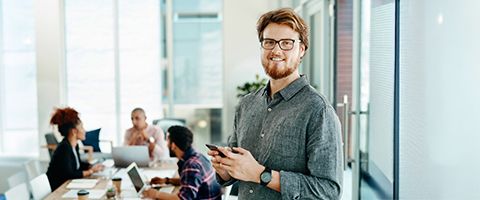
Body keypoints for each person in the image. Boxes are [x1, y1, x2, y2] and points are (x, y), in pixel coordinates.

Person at [208, 8, 343, 199]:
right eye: (269, 42)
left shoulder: (318, 110)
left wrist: (261, 175)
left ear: (301, 50)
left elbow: (329, 191)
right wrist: (224, 169)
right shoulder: (247, 104)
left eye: (287, 43)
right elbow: (236, 172)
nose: (276, 50)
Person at [142, 126, 222, 200]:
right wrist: (167, 180)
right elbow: (191, 181)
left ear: (173, 145)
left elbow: (183, 198)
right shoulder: (198, 156)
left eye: (167, 141)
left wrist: (155, 194)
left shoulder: (191, 165)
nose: (166, 145)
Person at [46, 107, 104, 191]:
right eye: (82, 127)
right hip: (58, 189)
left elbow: (78, 165)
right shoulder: (64, 147)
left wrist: (91, 166)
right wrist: (91, 171)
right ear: (74, 131)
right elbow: (69, 174)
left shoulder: (73, 145)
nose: (84, 131)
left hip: (68, 185)